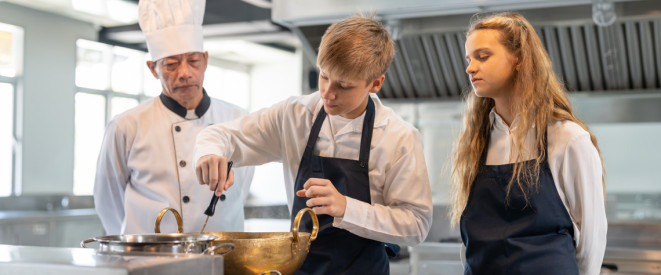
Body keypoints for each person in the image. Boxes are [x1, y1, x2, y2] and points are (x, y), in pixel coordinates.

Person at [194, 15, 432, 274]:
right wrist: (211, 154)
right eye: (324, 76)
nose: (327, 93)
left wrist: (346, 207)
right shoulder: (295, 114)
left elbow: (416, 224)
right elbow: (222, 135)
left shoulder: (399, 137)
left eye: (343, 85)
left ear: (375, 83)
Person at [450, 12, 607, 275]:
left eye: (483, 56)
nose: (470, 68)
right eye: (469, 59)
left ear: (519, 59)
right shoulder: (476, 143)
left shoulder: (567, 138)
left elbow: (592, 237)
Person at [93, 0, 254, 235]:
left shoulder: (238, 120)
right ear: (152, 68)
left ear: (206, 61)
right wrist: (134, 249)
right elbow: (108, 200)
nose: (184, 73)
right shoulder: (126, 126)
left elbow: (242, 189)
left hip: (223, 259)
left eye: (193, 61)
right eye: (171, 64)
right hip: (151, 262)